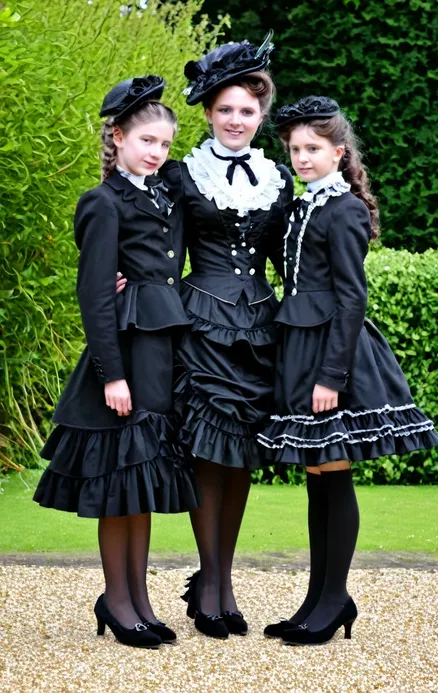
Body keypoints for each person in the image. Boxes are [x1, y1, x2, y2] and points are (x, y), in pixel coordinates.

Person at [258, 96, 438, 646]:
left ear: (338, 152)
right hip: (300, 347)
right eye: (295, 149)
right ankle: (317, 599)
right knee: (318, 477)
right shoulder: (302, 206)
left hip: (333, 356)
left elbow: (351, 298)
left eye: (312, 149)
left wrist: (330, 377)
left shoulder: (343, 210)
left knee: (333, 475)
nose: (302, 158)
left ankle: (334, 599)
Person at [33, 75, 198, 649]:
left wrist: (173, 170)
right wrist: (113, 375)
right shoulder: (102, 203)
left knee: (145, 481)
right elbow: (95, 296)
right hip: (125, 357)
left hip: (162, 353)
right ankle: (117, 599)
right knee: (119, 480)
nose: (156, 152)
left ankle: (141, 599)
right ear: (119, 136)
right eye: (146, 140)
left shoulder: (163, 193)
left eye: (164, 145)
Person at [162, 33, 293, 639]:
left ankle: (224, 580)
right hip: (201, 324)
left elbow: (293, 258)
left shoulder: (279, 179)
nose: (236, 119)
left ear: (260, 115)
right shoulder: (182, 174)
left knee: (240, 457)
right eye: (226, 110)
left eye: (247, 110)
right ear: (209, 112)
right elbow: (158, 249)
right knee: (205, 455)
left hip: (260, 330)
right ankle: (210, 582)